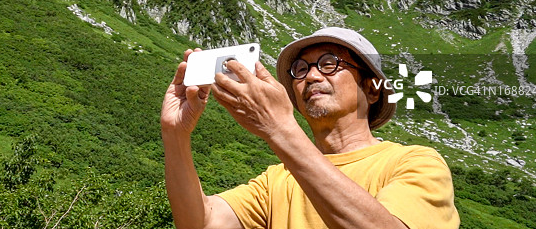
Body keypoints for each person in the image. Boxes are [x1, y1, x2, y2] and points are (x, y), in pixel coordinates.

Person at [161, 27, 459, 229]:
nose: (311, 76)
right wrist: (175, 134)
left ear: (371, 89)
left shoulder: (416, 162)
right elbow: (201, 222)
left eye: (329, 63)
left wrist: (280, 130)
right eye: (300, 69)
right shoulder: (277, 180)